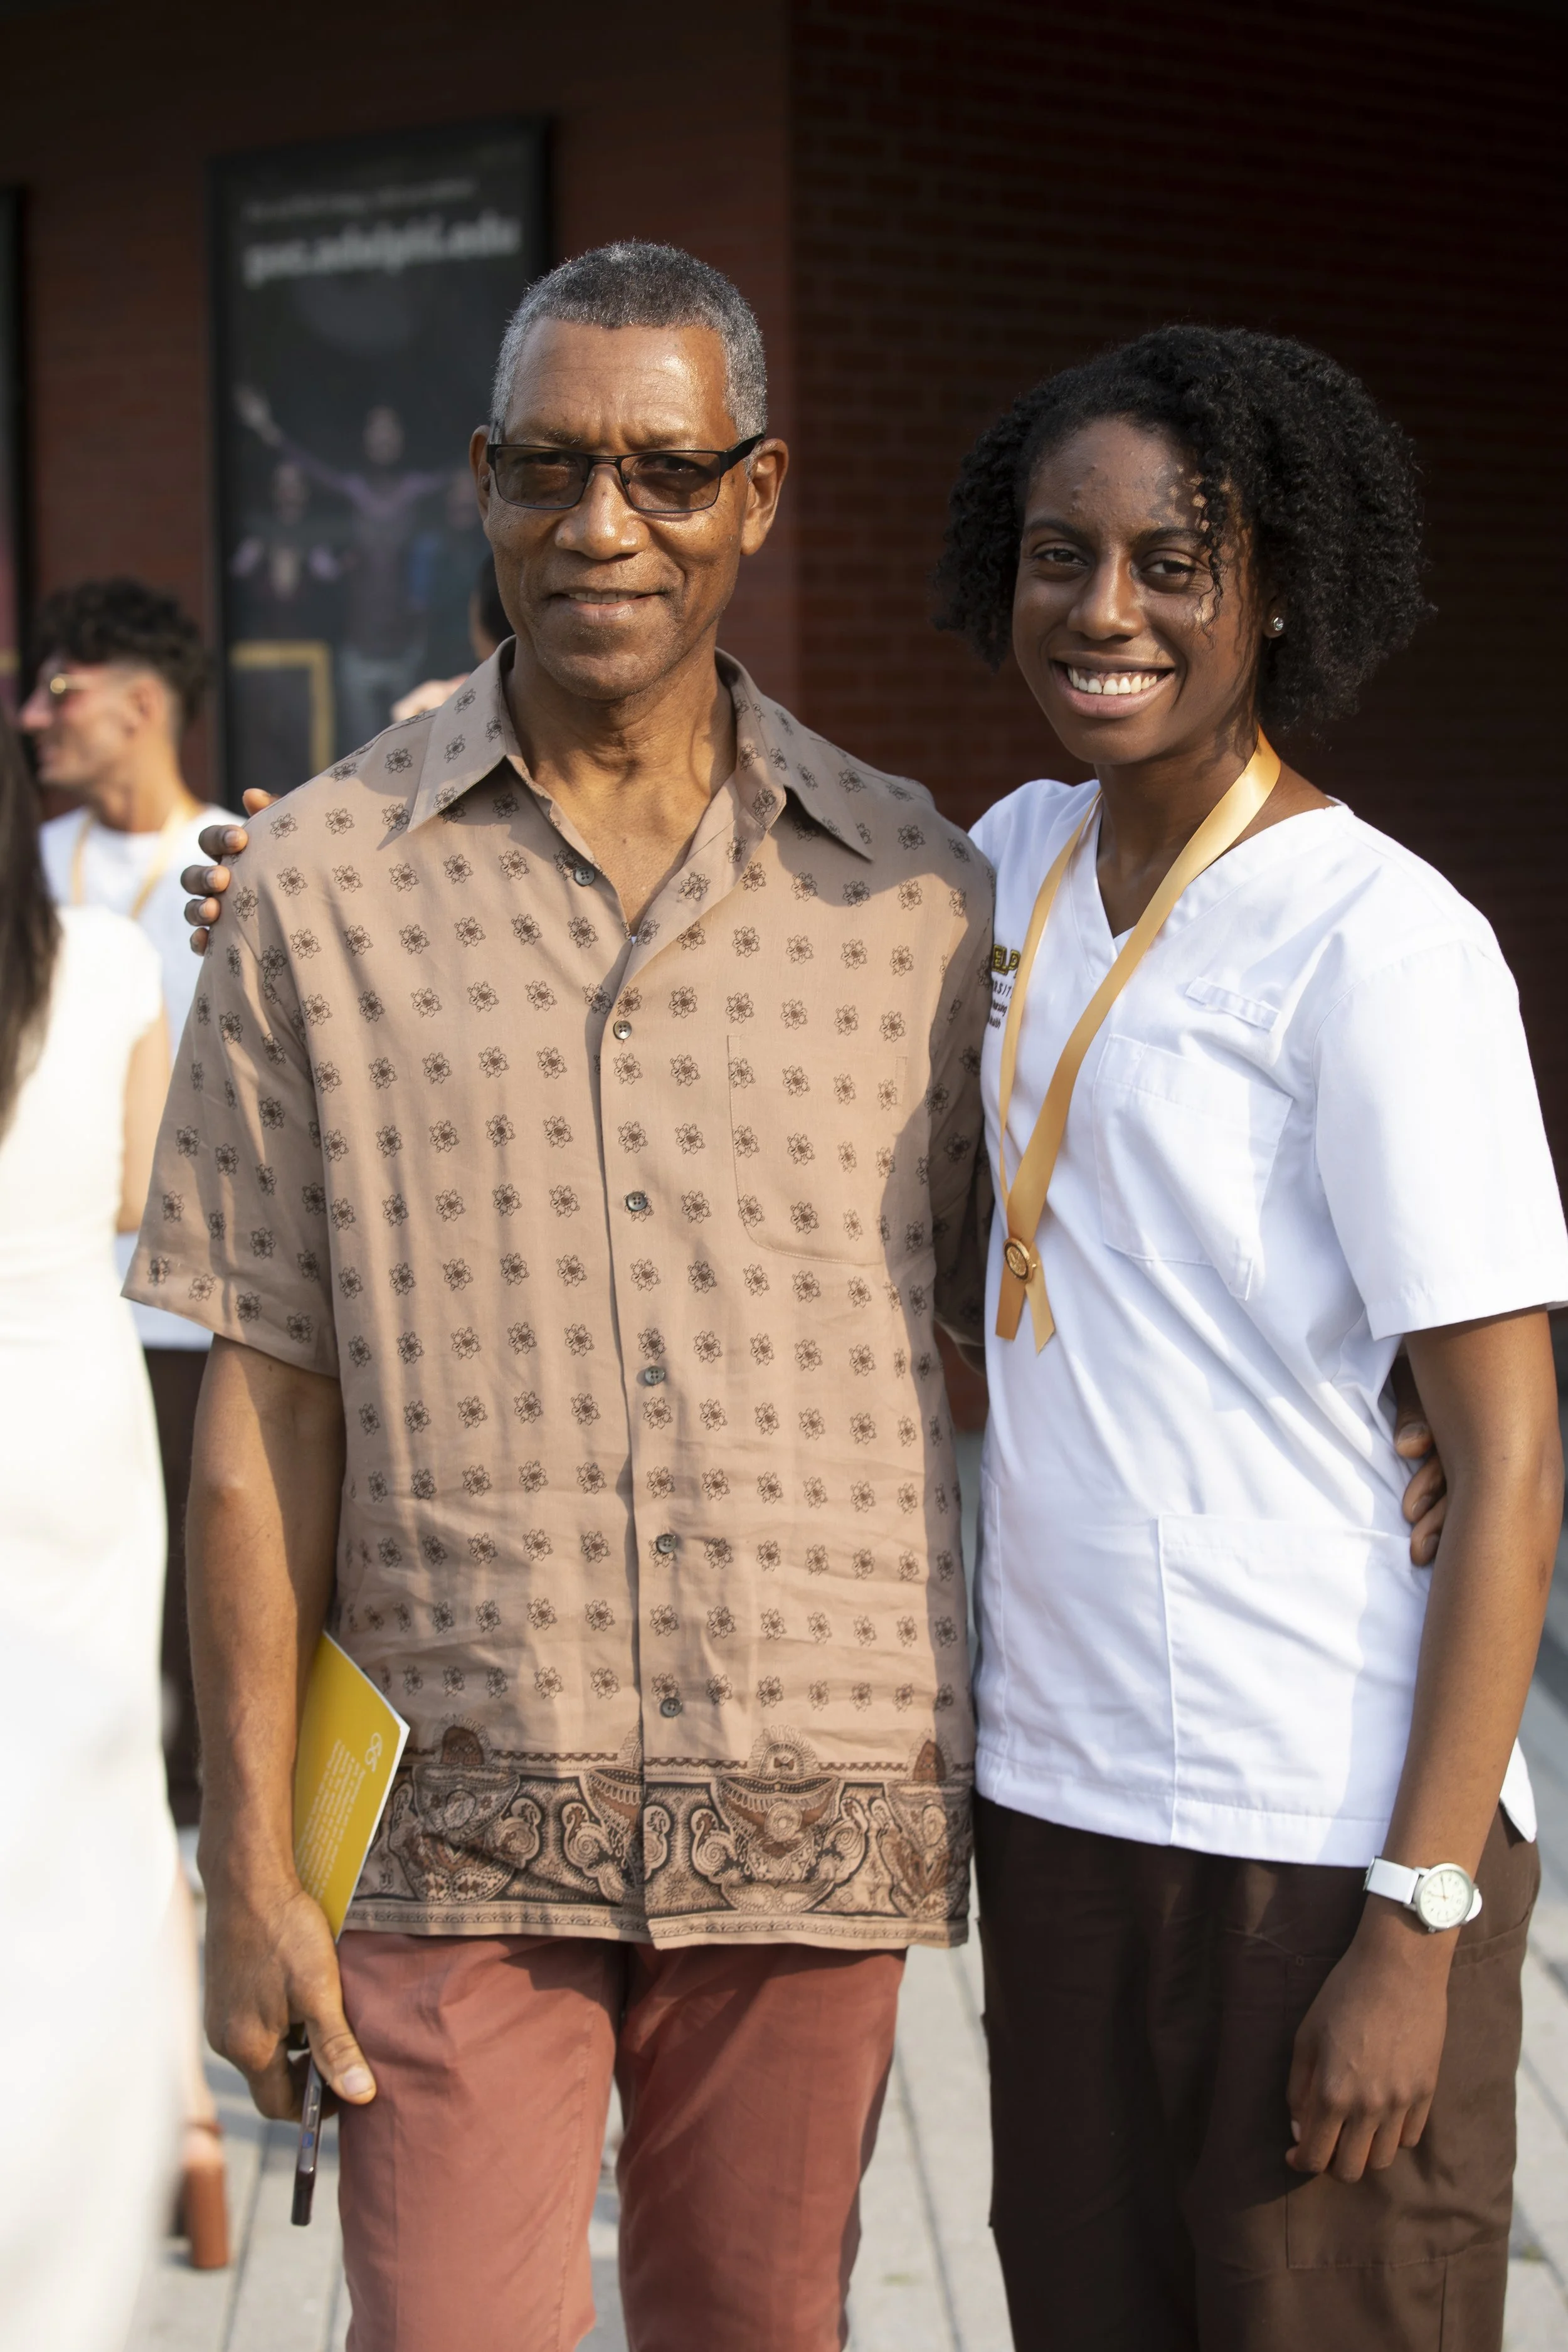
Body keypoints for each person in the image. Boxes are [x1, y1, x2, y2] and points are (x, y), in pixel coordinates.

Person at [133, 240, 994, 2352]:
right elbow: (261, 1407)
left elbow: (1077, 1294)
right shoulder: (320, 892)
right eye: (547, 468)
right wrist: (250, 1862)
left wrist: (1411, 1409)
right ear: (478, 487)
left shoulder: (918, 903)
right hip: (442, 1815)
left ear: (757, 495)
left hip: (807, 1819)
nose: (601, 524)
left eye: (664, 472)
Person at [936, 326, 1568, 2348]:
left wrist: (1420, 1906)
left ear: (1276, 587)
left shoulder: (1375, 939)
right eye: (1058, 553)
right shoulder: (999, 862)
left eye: (1169, 561)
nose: (1100, 609)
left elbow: (1507, 1456)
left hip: (1313, 1824)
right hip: (1059, 1794)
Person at [19, 576, 232, 2264]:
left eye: (63, 690)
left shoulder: (234, 863)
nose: (39, 717)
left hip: (186, 1329)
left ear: (144, 701)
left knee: (163, 1675)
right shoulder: (40, 886)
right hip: (81, 1324)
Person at [0, 709, 180, 2343]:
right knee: (105, 1761)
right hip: (65, 1402)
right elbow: (137, 1191)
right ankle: (168, 2117)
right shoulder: (107, 961)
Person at [234, 389, 450, 747]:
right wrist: (265, 428)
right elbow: (308, 467)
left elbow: (463, 471)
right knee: (362, 755)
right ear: (365, 438)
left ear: (401, 438)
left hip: (405, 650)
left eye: (389, 429)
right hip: (358, 651)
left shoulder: (416, 490)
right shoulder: (354, 490)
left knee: (416, 757)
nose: (382, 437)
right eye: (375, 429)